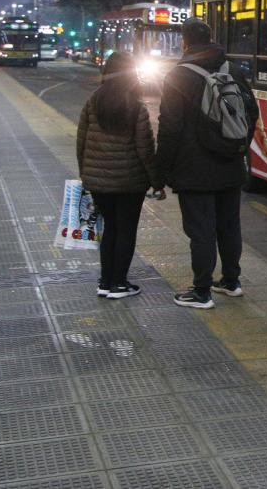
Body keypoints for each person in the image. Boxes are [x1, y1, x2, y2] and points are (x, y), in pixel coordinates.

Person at [157, 18, 257, 310]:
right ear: (210, 38)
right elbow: (251, 112)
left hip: (194, 169)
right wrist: (237, 145)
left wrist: (159, 173)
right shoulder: (233, 69)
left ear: (185, 43)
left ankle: (202, 291)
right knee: (229, 225)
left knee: (201, 231)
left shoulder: (178, 76)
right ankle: (231, 281)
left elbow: (169, 128)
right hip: (231, 165)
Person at [76, 51, 163, 299]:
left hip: (99, 183)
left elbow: (81, 142)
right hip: (129, 182)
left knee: (109, 230)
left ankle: (105, 281)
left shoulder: (93, 101)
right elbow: (145, 149)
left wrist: (86, 174)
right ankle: (120, 283)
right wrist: (157, 181)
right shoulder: (135, 107)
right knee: (126, 230)